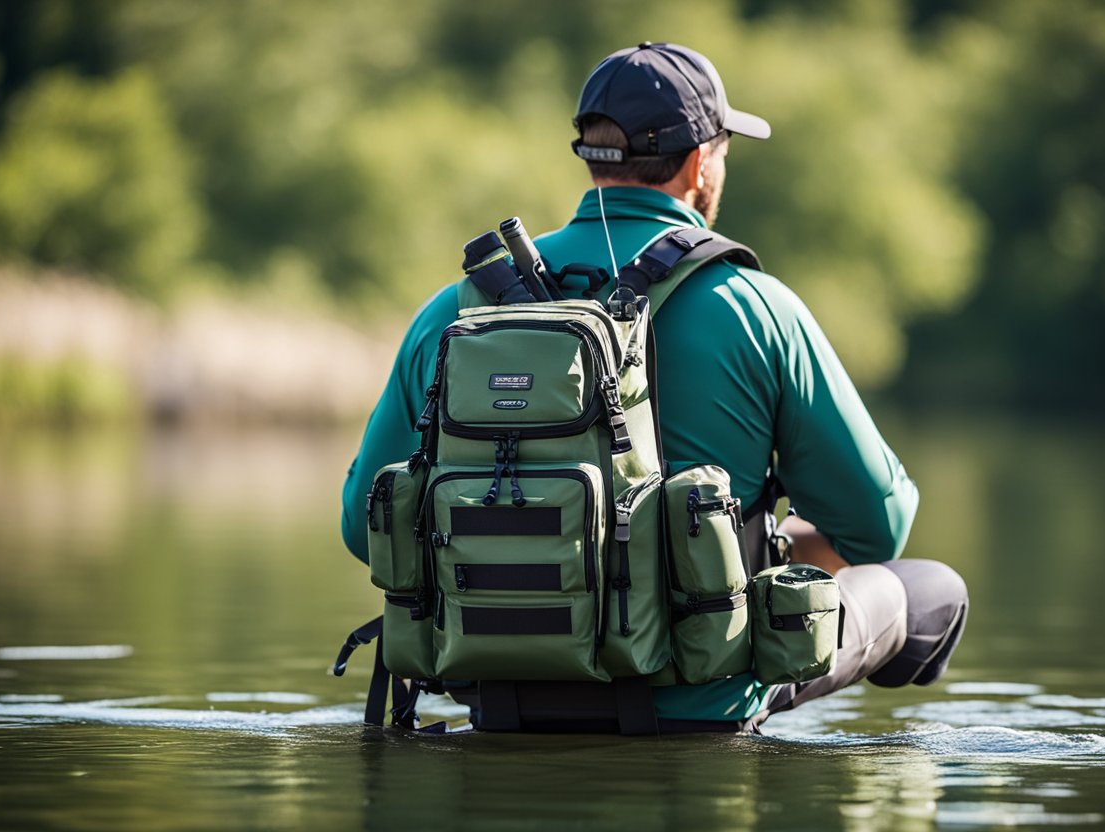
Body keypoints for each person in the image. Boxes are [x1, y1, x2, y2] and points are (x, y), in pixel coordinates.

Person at [341, 42, 968, 733]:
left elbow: (362, 528)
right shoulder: (755, 307)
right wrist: (763, 541)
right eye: (725, 148)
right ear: (701, 162)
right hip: (699, 702)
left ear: (589, 154)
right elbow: (878, 526)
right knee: (933, 592)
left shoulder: (460, 309)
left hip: (498, 702)